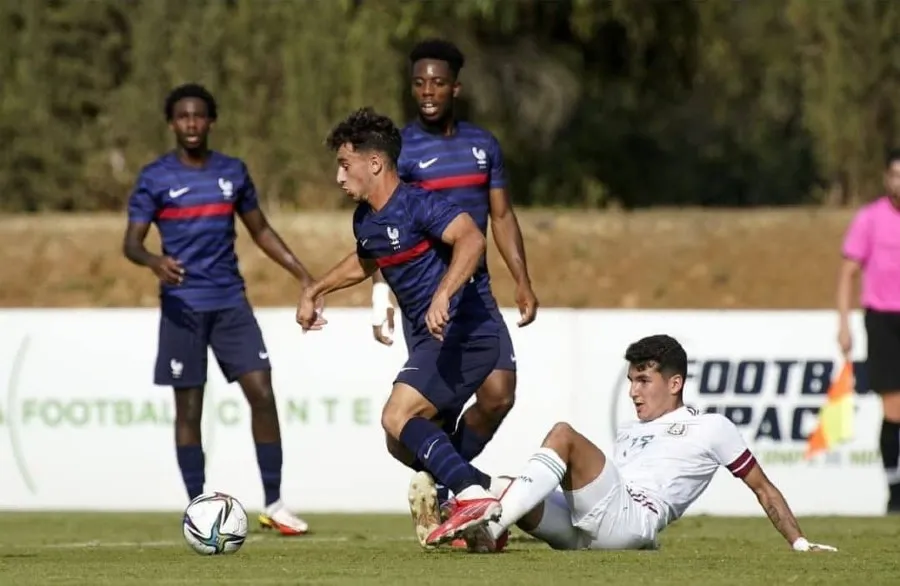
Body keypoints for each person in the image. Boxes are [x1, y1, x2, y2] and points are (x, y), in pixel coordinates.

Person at [295, 107, 507, 548]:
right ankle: (499, 493)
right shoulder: (366, 218)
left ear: (374, 163)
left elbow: (471, 238)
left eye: (344, 164)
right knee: (402, 444)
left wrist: (444, 293)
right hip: (435, 340)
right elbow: (367, 258)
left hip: (468, 332)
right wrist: (317, 289)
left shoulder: (419, 202)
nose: (339, 176)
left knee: (396, 415)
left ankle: (469, 496)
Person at [428, 334, 838, 553]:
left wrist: (799, 542)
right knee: (502, 486)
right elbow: (600, 491)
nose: (633, 392)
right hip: (585, 532)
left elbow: (762, 487)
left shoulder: (712, 427)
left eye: (644, 381)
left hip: (631, 521)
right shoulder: (630, 429)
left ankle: (490, 527)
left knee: (564, 435)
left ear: (675, 384)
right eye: (631, 381)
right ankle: (485, 528)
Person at [123, 83, 312, 536]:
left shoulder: (232, 172)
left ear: (211, 121)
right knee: (189, 409)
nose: (191, 123)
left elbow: (261, 230)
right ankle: (198, 506)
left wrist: (303, 275)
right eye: (183, 116)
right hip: (182, 308)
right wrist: (154, 261)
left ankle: (275, 502)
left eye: (199, 116)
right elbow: (131, 243)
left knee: (262, 393)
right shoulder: (155, 177)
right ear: (172, 123)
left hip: (231, 303)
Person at [370, 38, 539, 534]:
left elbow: (502, 216)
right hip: (428, 294)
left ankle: (445, 489)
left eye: (437, 82)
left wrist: (523, 281)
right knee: (426, 414)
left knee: (499, 395)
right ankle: (464, 491)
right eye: (419, 82)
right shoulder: (400, 151)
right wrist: (382, 291)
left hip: (478, 291)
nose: (427, 91)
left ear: (455, 88)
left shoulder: (482, 146)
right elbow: (384, 227)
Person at [837, 149, 900, 515]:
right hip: (883, 321)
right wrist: (843, 324)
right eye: (895, 174)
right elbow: (847, 272)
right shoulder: (869, 219)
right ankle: (895, 491)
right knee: (894, 410)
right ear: (886, 179)